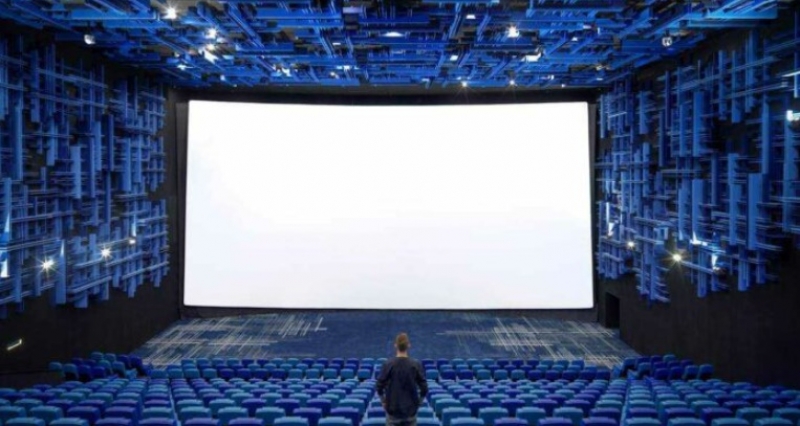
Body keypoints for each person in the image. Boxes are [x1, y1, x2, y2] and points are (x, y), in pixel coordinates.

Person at [376, 333, 429, 426]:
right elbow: (424, 388)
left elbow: (379, 386)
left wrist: (383, 401)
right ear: (408, 345)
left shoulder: (388, 364)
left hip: (393, 412)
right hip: (410, 412)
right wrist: (418, 403)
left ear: (395, 345)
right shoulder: (415, 365)